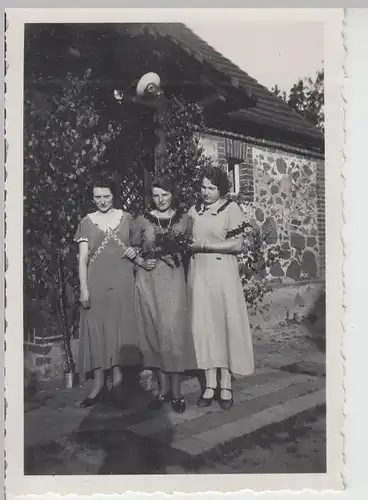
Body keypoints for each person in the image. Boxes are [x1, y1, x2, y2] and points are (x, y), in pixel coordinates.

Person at [188, 166, 255, 410]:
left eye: (212, 188)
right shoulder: (193, 211)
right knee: (205, 326)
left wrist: (205, 246)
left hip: (223, 275)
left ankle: (225, 384)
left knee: (224, 326)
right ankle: (209, 384)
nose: (206, 192)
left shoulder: (231, 209)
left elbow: (238, 244)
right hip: (199, 275)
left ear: (221, 189)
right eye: (203, 187)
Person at [131, 175, 196, 413]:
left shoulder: (184, 219)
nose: (160, 199)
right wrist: (140, 261)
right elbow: (133, 248)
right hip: (148, 280)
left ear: (172, 194)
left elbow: (191, 247)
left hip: (174, 278)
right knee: (153, 332)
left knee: (173, 331)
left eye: (165, 195)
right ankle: (163, 389)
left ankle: (177, 392)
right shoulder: (141, 221)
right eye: (156, 195)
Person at [74, 178, 140, 408]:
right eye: (97, 197)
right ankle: (98, 385)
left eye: (107, 196)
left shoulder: (127, 218)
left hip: (122, 281)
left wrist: (135, 250)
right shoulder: (86, 222)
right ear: (92, 198)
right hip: (96, 282)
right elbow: (82, 258)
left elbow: (139, 245)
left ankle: (119, 383)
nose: (102, 201)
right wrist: (83, 288)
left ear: (114, 195)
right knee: (97, 331)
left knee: (118, 330)